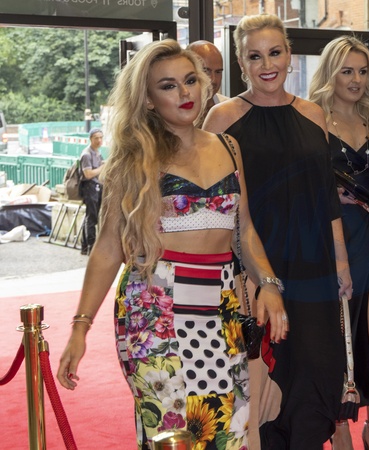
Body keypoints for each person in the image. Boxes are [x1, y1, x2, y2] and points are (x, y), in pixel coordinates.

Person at [57, 39, 288, 449]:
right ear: (147, 99)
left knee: (226, 429)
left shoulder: (228, 147)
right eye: (168, 86)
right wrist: (80, 327)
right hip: (155, 309)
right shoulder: (132, 159)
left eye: (190, 80)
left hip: (221, 304)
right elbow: (108, 247)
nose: (185, 93)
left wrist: (268, 283)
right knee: (172, 433)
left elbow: (244, 229)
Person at [203, 14, 352, 450]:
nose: (267, 64)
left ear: (289, 55)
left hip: (314, 266)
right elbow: (215, 203)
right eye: (255, 56)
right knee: (264, 377)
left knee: (316, 370)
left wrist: (341, 261)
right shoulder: (221, 118)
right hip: (254, 268)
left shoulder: (313, 114)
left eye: (275, 53)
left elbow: (326, 197)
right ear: (241, 63)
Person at [308, 35, 369, 450]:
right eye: (347, 71)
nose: (356, 80)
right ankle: (339, 425)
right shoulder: (313, 121)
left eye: (363, 72)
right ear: (330, 74)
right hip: (328, 237)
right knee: (336, 335)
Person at [186, 40, 228, 124]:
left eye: (218, 72)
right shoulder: (174, 112)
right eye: (206, 71)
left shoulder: (231, 110)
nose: (213, 79)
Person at [79, 127, 104, 255]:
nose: (99, 140)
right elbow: (88, 174)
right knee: (91, 218)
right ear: (90, 139)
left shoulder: (98, 153)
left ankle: (85, 247)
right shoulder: (87, 154)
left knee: (91, 217)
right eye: (96, 138)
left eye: (101, 138)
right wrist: (103, 167)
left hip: (97, 187)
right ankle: (91, 247)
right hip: (89, 187)